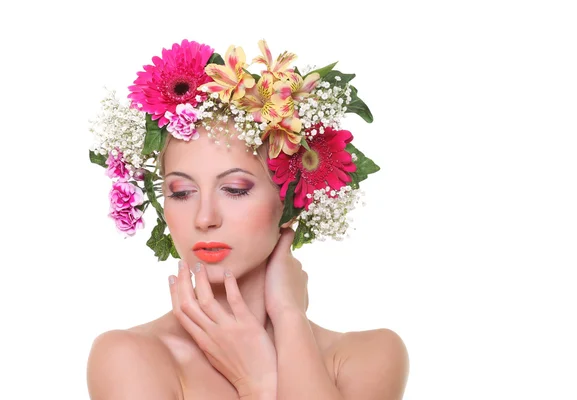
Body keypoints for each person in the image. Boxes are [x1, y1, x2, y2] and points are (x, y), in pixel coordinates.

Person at [86, 39, 409, 399]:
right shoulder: (129, 357)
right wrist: (260, 384)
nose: (205, 218)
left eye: (235, 189)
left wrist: (288, 321)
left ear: (291, 199)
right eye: (180, 192)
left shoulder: (368, 356)